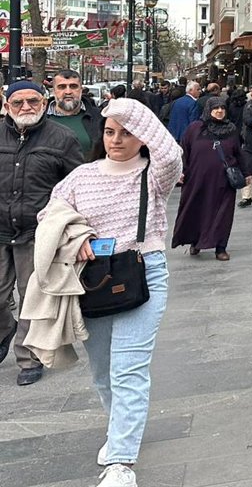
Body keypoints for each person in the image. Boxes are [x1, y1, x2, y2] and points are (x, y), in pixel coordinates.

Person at [39, 98, 182, 487]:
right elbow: (50, 216)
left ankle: (121, 462)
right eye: (109, 132)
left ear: (142, 136)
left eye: (127, 132)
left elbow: (171, 151)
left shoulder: (155, 174)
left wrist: (124, 106)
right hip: (93, 281)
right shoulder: (81, 176)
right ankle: (121, 428)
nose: (117, 139)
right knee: (103, 372)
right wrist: (77, 238)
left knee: (128, 369)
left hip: (143, 274)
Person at [0, 81, 81, 384]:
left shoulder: (63, 138)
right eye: (18, 102)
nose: (26, 107)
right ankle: (5, 329)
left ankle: (28, 357)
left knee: (31, 297)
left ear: (44, 103)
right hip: (0, 228)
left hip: (37, 231)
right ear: (6, 106)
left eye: (33, 101)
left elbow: (75, 186)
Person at [171, 97, 243, 261]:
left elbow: (238, 152)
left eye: (222, 108)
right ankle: (196, 241)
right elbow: (184, 151)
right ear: (208, 110)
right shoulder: (195, 128)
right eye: (216, 108)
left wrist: (246, 173)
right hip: (197, 180)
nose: (219, 111)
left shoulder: (231, 129)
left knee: (223, 214)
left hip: (223, 181)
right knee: (197, 211)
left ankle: (220, 247)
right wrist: (180, 171)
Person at [47, 69, 105, 162]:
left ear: (81, 90)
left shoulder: (99, 118)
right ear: (53, 91)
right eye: (62, 87)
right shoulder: (39, 118)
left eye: (73, 86)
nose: (68, 92)